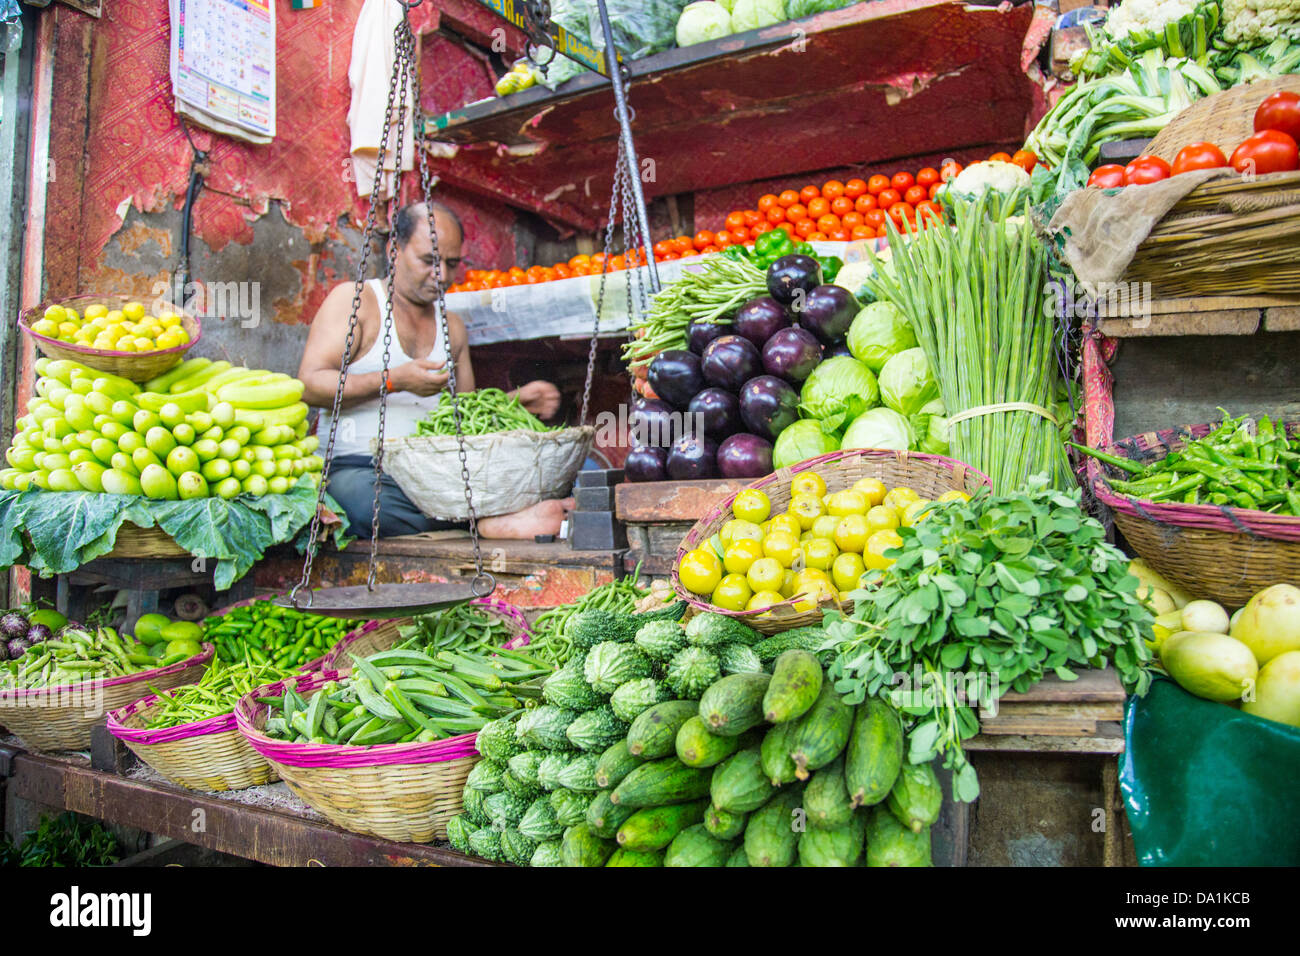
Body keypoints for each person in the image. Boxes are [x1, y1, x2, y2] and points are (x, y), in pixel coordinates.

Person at [298, 201, 570, 538]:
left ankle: (479, 520)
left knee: (551, 475)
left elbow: (466, 413)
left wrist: (514, 402)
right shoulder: (356, 302)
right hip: (361, 467)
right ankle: (485, 524)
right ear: (394, 251)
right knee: (366, 504)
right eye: (429, 261)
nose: (441, 275)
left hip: (437, 474)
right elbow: (310, 384)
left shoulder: (452, 327)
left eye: (451, 263)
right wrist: (393, 381)